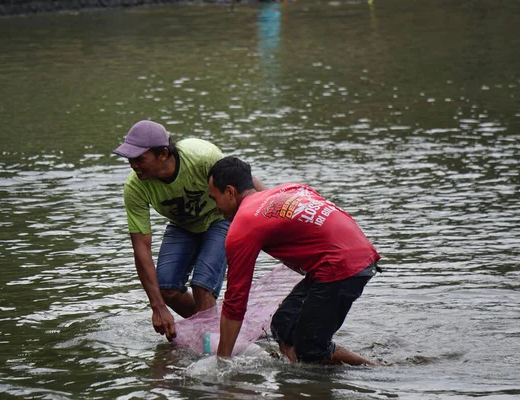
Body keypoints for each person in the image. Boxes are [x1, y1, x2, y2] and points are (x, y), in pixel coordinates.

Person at [207, 156, 381, 365]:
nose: (215, 207)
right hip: (357, 253)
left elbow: (235, 302)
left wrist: (222, 363)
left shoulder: (243, 224)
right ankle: (296, 377)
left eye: (214, 198)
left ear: (230, 192)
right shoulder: (291, 189)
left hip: (340, 267)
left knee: (311, 349)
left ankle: (378, 369)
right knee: (283, 325)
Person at [113, 121, 265, 341]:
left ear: (163, 154)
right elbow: (141, 249)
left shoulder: (201, 157)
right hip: (182, 226)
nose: (133, 165)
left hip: (218, 218)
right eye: (129, 159)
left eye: (139, 159)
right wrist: (158, 307)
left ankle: (214, 346)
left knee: (202, 286)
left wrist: (275, 210)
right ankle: (222, 332)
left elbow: (243, 182)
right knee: (166, 289)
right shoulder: (135, 187)